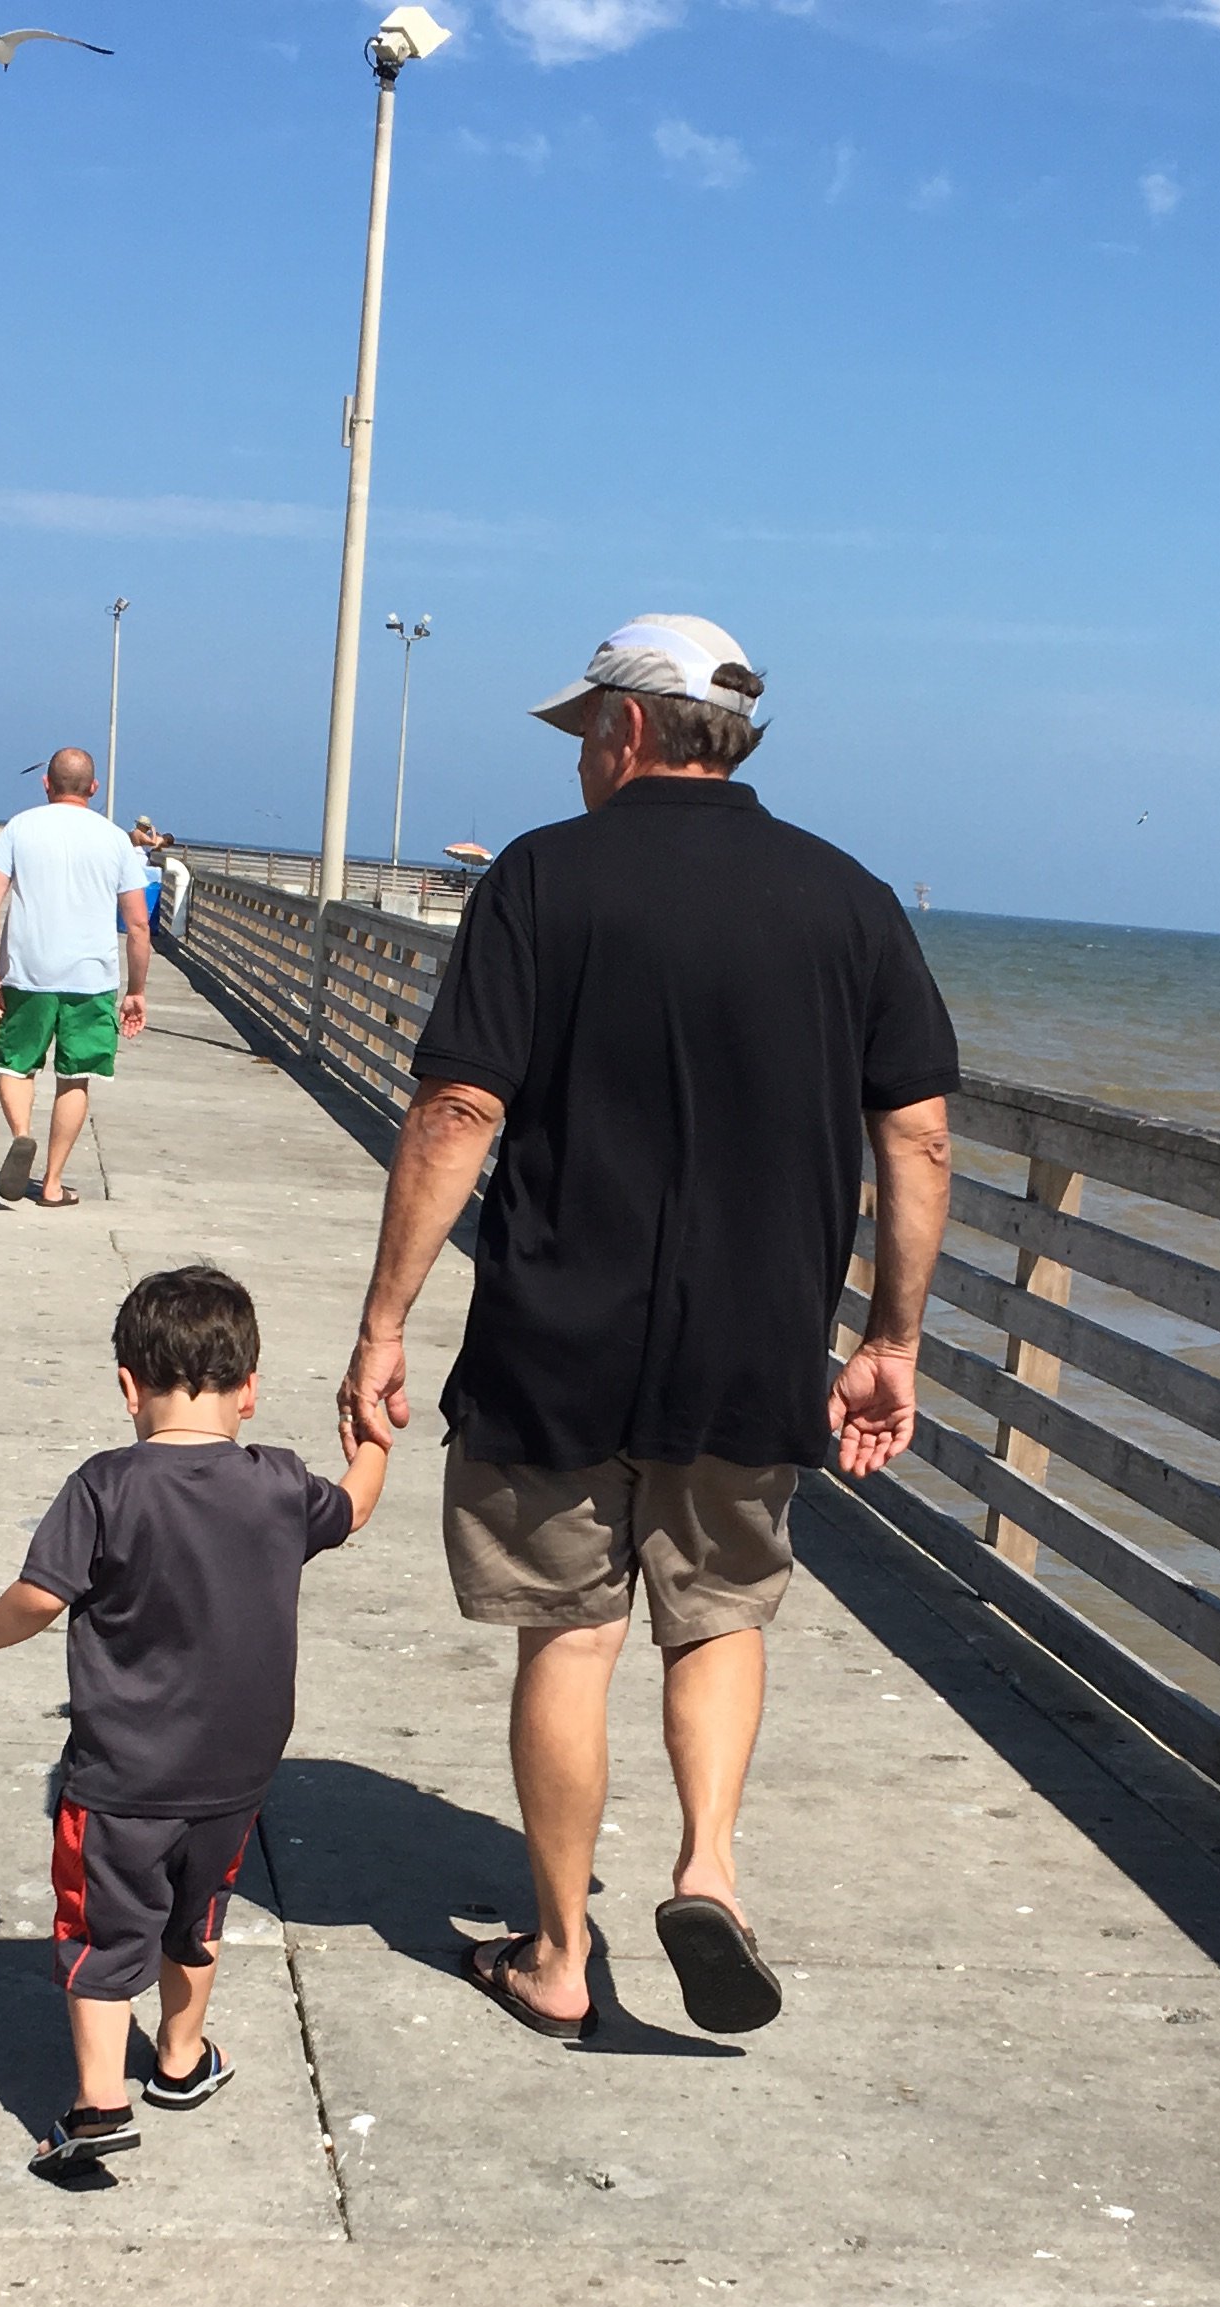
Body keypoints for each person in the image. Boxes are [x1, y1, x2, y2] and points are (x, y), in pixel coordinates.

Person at [337, 613, 959, 2042]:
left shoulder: (541, 879)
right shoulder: (851, 900)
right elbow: (918, 1136)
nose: (575, 762)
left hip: (555, 1334)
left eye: (580, 736)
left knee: (569, 1635)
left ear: (627, 730)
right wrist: (892, 1339)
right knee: (720, 1613)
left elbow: (460, 1107)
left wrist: (384, 1322)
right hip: (756, 1341)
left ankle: (559, 1956)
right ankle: (709, 1870)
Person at [0, 1266, 388, 2173]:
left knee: (103, 1930)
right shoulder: (282, 1482)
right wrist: (371, 1438)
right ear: (250, 1391)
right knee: (198, 1911)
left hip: (122, 1775)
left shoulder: (105, 1487)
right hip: (237, 1774)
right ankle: (181, 2061)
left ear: (127, 1385)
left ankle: (99, 2105)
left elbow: (37, 1599)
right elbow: (356, 1507)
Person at [0, 746, 148, 1210]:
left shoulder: (20, 827)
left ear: (46, 784)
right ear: (94, 788)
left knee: (16, 1065)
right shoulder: (116, 840)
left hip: (27, 971)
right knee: (76, 1078)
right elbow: (138, 925)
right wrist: (136, 991)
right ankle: (52, 1184)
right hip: (90, 978)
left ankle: (22, 1134)